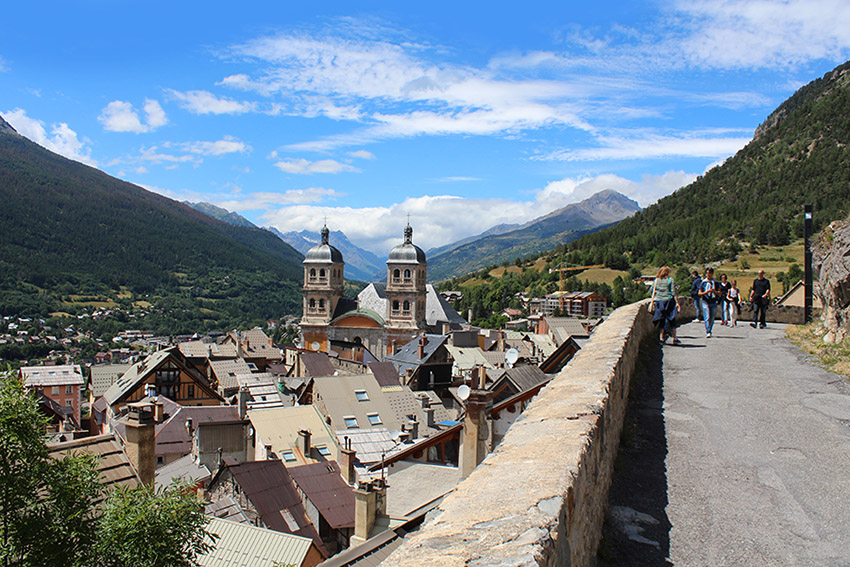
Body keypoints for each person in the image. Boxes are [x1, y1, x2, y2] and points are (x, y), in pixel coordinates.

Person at [651, 266, 681, 345]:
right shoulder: (670, 280)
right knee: (672, 319)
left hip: (659, 301)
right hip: (668, 301)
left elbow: (651, 290)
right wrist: (677, 303)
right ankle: (675, 338)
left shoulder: (656, 280)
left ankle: (661, 338)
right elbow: (673, 292)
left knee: (661, 320)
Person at [698, 267, 719, 338]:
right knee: (707, 316)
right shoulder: (703, 282)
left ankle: (710, 328)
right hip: (705, 300)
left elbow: (719, 292)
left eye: (709, 273)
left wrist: (714, 291)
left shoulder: (715, 282)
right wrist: (706, 292)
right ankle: (708, 331)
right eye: (707, 273)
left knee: (712, 317)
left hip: (713, 300)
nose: (708, 274)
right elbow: (699, 293)